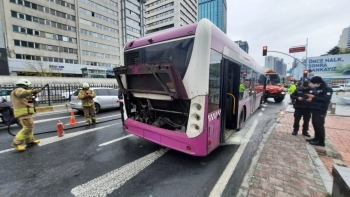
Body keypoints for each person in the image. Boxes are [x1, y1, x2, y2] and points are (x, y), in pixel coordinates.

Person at [10, 79, 43, 151]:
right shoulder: (18, 90)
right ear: (25, 85)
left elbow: (28, 102)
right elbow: (21, 94)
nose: (29, 87)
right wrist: (33, 91)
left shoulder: (22, 91)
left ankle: (30, 141)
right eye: (28, 86)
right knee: (27, 127)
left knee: (30, 127)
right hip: (23, 113)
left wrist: (32, 96)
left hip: (27, 113)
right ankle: (16, 143)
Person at [305, 76, 333, 147]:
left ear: (318, 82)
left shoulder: (327, 89)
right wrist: (311, 99)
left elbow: (326, 99)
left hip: (321, 109)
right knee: (314, 123)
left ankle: (321, 141)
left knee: (319, 125)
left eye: (313, 83)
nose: (312, 84)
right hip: (315, 108)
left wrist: (313, 97)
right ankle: (316, 138)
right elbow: (316, 97)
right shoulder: (317, 88)